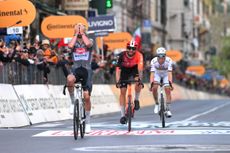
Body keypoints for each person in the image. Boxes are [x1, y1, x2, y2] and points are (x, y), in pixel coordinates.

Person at [67, 23, 93, 133]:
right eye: (76, 29)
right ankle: (73, 101)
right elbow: (70, 46)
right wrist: (75, 34)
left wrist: (82, 33)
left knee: (86, 97)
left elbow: (88, 44)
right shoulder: (72, 40)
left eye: (80, 29)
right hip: (76, 68)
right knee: (69, 79)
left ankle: (88, 123)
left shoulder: (89, 39)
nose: (78, 30)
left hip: (87, 70)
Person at [116, 40, 144, 124]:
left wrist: (140, 80)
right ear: (126, 48)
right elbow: (118, 70)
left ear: (136, 49)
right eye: (129, 48)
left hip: (134, 69)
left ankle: (136, 100)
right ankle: (122, 116)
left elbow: (140, 69)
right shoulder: (121, 55)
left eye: (133, 48)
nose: (131, 50)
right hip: (124, 70)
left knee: (138, 82)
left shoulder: (139, 55)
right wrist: (118, 81)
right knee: (122, 91)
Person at [149, 47, 173, 118]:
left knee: (167, 89)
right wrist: (151, 85)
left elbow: (169, 73)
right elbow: (152, 74)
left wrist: (170, 84)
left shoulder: (169, 61)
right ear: (157, 56)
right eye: (159, 56)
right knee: (154, 88)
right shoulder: (153, 61)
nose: (161, 58)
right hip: (157, 74)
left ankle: (168, 109)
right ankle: (156, 103)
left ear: (165, 56)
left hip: (166, 75)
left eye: (163, 56)